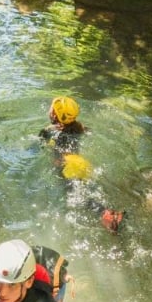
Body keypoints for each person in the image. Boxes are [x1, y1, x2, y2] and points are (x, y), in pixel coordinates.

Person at [38, 95, 125, 233]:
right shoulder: (79, 127)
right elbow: (88, 131)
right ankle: (111, 212)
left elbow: (39, 146)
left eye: (51, 108)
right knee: (90, 189)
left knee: (78, 196)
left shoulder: (48, 131)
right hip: (83, 163)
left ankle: (105, 214)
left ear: (55, 114)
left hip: (67, 165)